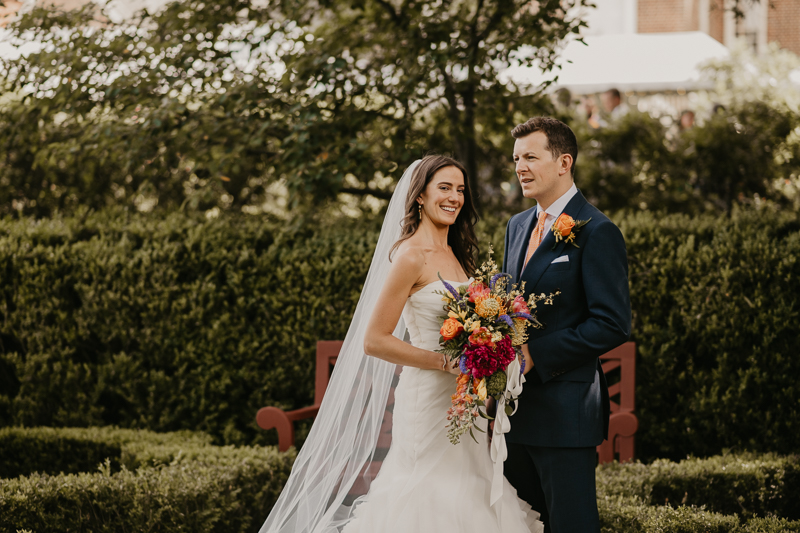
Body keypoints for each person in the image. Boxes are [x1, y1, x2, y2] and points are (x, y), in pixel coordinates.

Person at [260, 155, 543, 533]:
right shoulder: (410, 256)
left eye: (460, 190)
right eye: (444, 187)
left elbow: (475, 325)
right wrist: (444, 363)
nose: (454, 197)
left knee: (468, 492)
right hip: (428, 398)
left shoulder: (460, 256)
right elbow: (374, 340)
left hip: (466, 401)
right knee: (427, 495)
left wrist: (494, 349)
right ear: (420, 196)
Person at [502, 117, 631, 533]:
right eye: (517, 158)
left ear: (564, 162)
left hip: (565, 415)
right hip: (512, 413)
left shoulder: (598, 230)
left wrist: (534, 354)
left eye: (531, 157)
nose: (521, 166)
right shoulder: (517, 225)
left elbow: (611, 323)